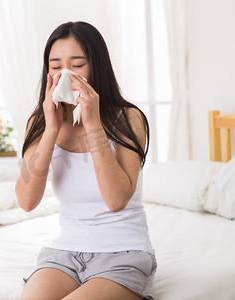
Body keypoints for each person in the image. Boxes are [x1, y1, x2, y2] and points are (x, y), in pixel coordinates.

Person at [15, 21, 156, 300]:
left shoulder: (129, 119)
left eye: (77, 64)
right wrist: (51, 129)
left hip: (123, 252)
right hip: (64, 252)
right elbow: (26, 200)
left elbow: (116, 200)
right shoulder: (40, 122)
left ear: (97, 67)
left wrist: (93, 124)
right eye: (55, 66)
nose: (64, 73)